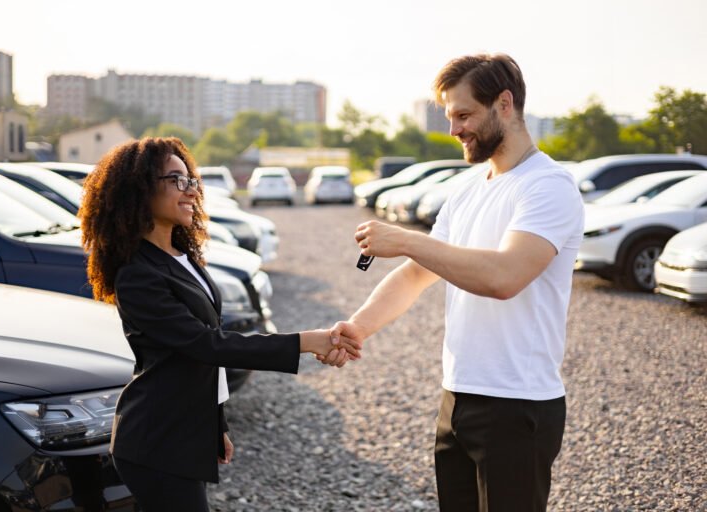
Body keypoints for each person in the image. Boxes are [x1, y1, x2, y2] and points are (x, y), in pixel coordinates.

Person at [323, 54, 584, 511]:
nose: (453, 129)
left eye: (463, 115)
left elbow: (505, 277)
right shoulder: (466, 190)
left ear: (504, 104)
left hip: (518, 402)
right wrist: (359, 327)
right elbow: (416, 275)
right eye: (450, 116)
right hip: (458, 396)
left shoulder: (548, 186)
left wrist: (407, 240)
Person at [80, 137, 360, 511]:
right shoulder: (138, 274)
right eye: (177, 180)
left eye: (192, 180)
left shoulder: (181, 256)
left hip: (183, 432)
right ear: (141, 188)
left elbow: (201, 359)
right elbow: (207, 344)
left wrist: (215, 424)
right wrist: (306, 341)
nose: (191, 191)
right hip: (154, 439)